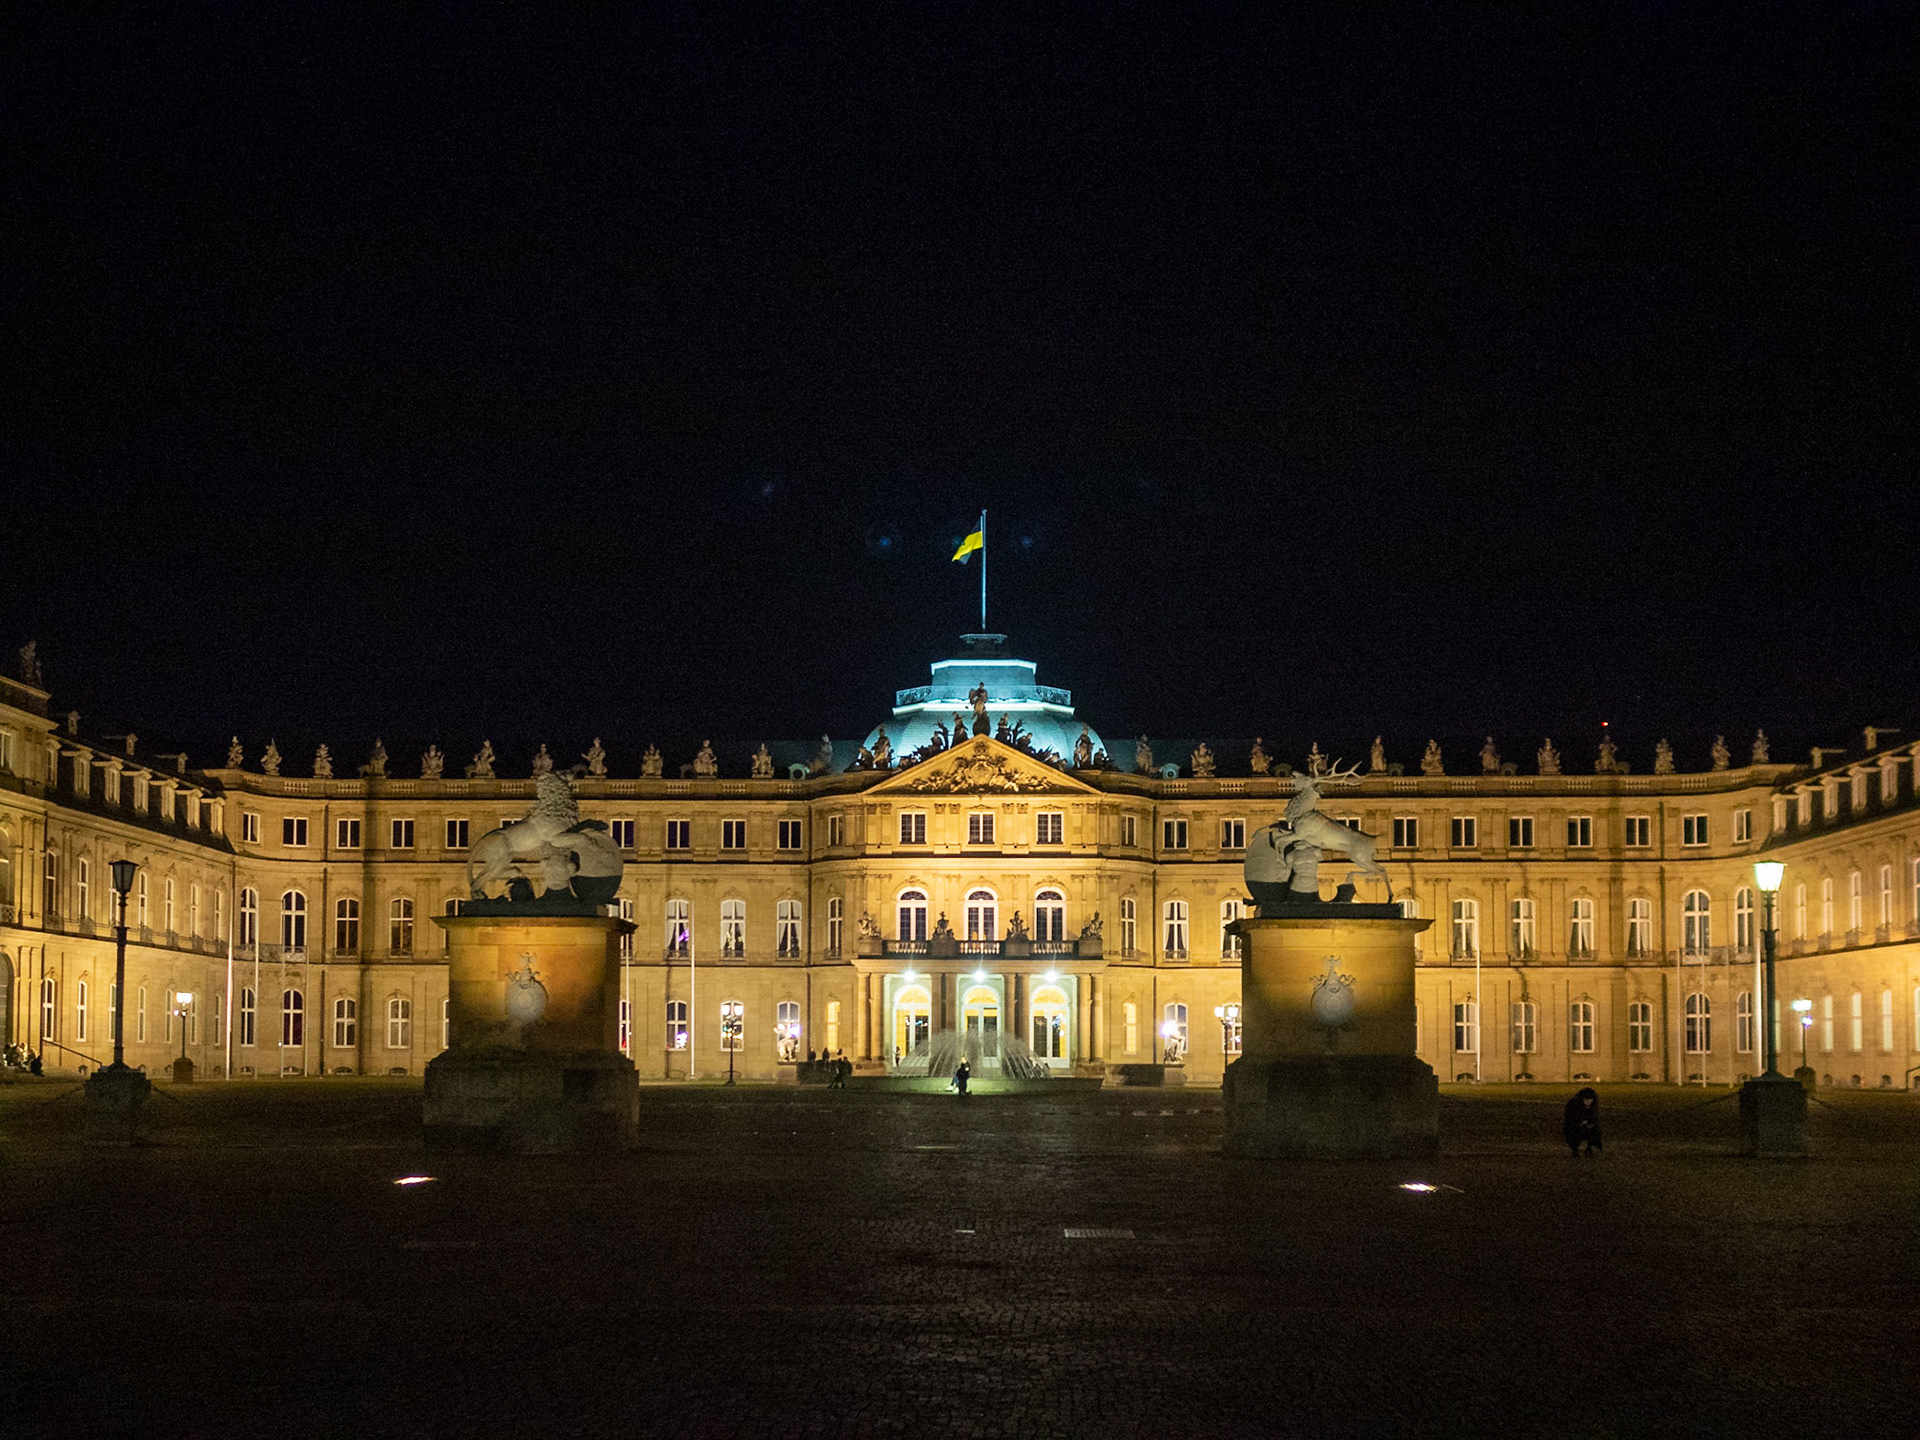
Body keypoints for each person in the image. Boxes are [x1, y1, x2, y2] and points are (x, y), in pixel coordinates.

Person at [1563, 1087, 1602, 1156]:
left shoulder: (1593, 1107)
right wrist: (1580, 1122)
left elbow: (1594, 1119)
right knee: (1573, 1133)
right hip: (1573, 1127)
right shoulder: (1573, 1105)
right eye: (1586, 1100)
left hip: (1587, 1127)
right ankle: (1576, 1148)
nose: (1588, 1102)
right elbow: (1570, 1119)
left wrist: (1589, 1123)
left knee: (1595, 1130)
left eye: (1590, 1100)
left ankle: (1591, 1147)